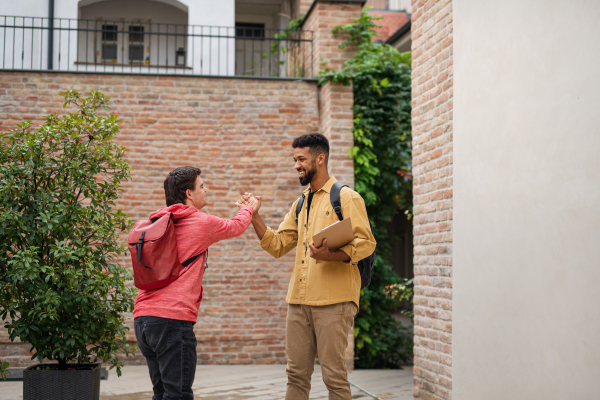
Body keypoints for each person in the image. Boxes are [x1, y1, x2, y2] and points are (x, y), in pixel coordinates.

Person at [239, 133, 376, 400]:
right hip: (298, 302)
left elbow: (367, 243)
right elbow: (277, 244)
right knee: (296, 376)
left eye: (301, 159)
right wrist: (254, 217)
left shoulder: (347, 197)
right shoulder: (301, 203)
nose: (296, 165)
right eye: (295, 159)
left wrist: (332, 255)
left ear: (320, 158)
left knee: (334, 376)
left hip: (334, 301)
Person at [133, 166, 258, 400]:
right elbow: (236, 226)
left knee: (162, 394)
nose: (206, 189)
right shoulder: (200, 222)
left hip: (143, 319)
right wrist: (249, 207)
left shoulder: (158, 220)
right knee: (178, 395)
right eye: (202, 185)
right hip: (172, 321)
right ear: (189, 193)